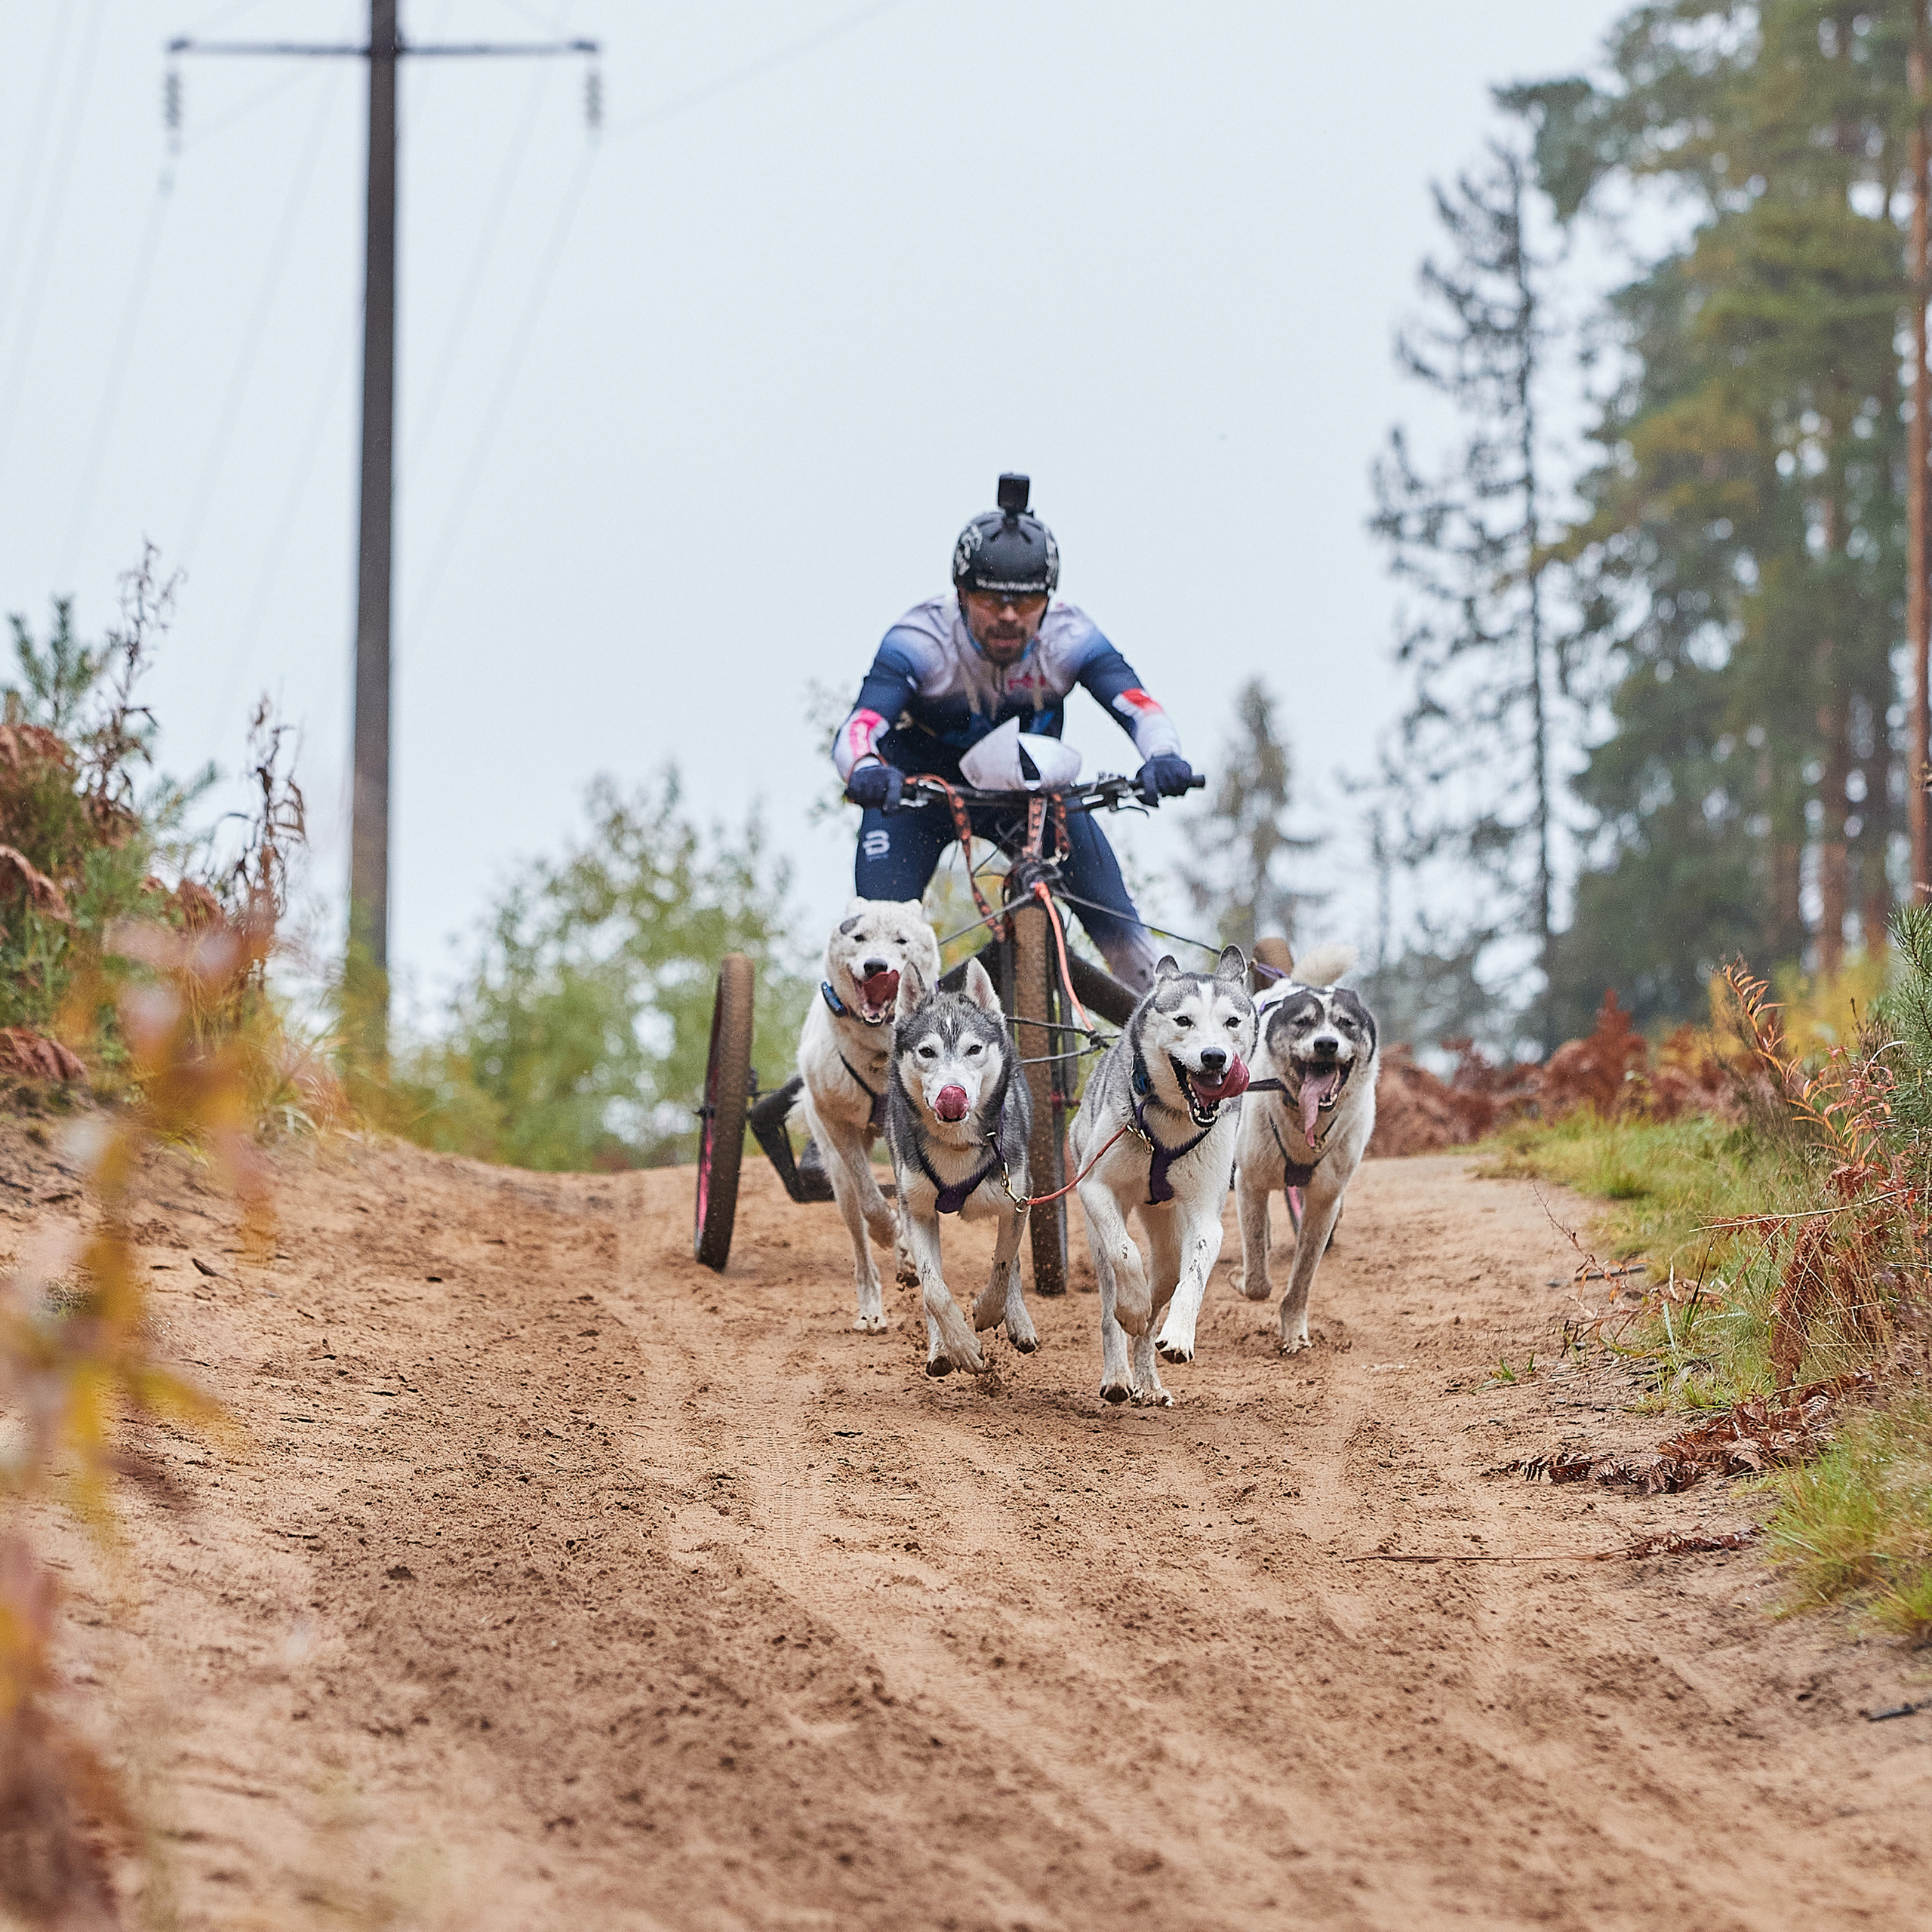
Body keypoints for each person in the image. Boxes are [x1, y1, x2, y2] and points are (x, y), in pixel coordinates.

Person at [833, 475, 1196, 992]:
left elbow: (1138, 706)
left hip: (1032, 800)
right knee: (880, 933)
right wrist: (867, 768)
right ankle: (864, 1055)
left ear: (1048, 600)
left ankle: (1170, 1037)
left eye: (1025, 604)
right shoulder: (921, 640)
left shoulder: (1070, 637)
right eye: (989, 599)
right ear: (961, 593)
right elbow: (859, 728)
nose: (1008, 617)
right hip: (921, 798)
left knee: (1122, 929)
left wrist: (1163, 755)